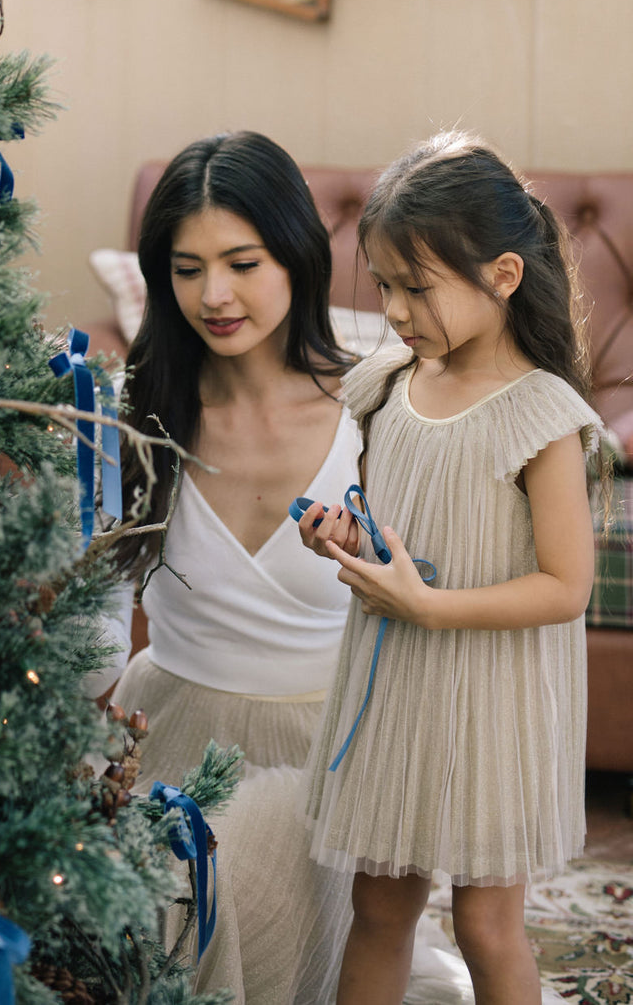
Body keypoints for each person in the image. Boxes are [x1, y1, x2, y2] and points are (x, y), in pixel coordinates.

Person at [298, 131, 603, 1005]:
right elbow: (391, 525)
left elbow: (565, 587)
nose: (395, 310)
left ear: (503, 276)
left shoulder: (539, 416)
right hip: (398, 687)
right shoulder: (389, 383)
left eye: (417, 287)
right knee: (380, 904)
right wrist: (346, 540)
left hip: (492, 701)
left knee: (484, 925)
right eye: (384, 284)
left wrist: (431, 607)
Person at [104, 131, 361, 1004]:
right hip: (163, 726)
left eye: (242, 262)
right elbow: (97, 614)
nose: (213, 296)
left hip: (321, 758)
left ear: (296, 256)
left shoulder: (375, 412)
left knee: (212, 891)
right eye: (186, 268)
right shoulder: (140, 413)